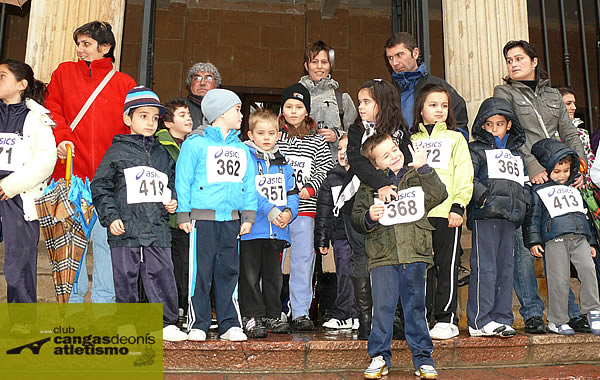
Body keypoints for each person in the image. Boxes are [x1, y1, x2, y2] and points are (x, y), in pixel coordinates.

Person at [493, 40, 589, 334]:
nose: (513, 64)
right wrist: (533, 167)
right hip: (526, 177)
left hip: (559, 176)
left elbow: (569, 132)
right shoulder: (504, 92)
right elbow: (511, 135)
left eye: (519, 58)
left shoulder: (551, 94)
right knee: (525, 248)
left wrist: (579, 165)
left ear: (534, 61)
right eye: (509, 60)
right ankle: (533, 312)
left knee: (559, 244)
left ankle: (572, 313)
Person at [45, 21, 136, 304]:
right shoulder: (63, 72)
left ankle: (104, 305)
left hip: (109, 179)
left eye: (86, 44)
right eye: (79, 43)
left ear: (105, 47)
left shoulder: (125, 83)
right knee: (71, 246)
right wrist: (60, 138)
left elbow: (129, 128)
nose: (79, 49)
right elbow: (53, 110)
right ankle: (70, 306)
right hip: (70, 175)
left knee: (108, 242)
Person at [90, 86, 187, 342]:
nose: (150, 122)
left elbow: (173, 180)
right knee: (126, 278)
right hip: (126, 228)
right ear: (127, 119)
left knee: (162, 274)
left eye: (155, 118)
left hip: (156, 226)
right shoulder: (117, 151)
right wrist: (111, 217)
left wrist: (173, 199)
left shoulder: (163, 152)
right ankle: (127, 323)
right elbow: (100, 186)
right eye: (143, 116)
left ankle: (166, 323)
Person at [352, 133, 446, 380]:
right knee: (382, 309)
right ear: (375, 165)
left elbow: (439, 194)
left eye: (394, 149)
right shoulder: (369, 186)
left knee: (416, 308)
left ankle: (423, 358)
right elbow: (357, 218)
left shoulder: (416, 176)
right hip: (383, 257)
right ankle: (379, 356)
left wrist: (425, 168)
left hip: (415, 254)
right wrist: (370, 216)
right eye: (386, 155)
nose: (394, 155)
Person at [176, 88, 257, 342]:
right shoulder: (195, 144)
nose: (241, 115)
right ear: (221, 113)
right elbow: (184, 180)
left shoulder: (242, 149)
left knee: (229, 271)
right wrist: (183, 214)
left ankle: (229, 323)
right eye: (236, 110)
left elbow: (249, 183)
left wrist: (248, 215)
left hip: (231, 220)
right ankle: (198, 323)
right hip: (202, 220)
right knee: (200, 273)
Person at [340, 79, 412, 340]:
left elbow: (406, 162)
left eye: (366, 102)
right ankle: (365, 319)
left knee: (388, 260)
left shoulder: (400, 131)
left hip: (393, 204)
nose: (360, 107)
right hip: (355, 203)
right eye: (359, 102)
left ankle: (391, 318)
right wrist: (381, 183)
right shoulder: (356, 129)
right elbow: (358, 161)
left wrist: (388, 186)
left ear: (382, 103)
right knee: (361, 258)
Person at [410, 83, 474, 340]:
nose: (439, 110)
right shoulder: (412, 141)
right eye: (433, 105)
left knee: (447, 266)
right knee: (421, 267)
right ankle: (422, 316)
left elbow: (464, 173)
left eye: (444, 106)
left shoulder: (456, 138)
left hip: (448, 212)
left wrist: (459, 205)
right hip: (418, 215)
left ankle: (446, 318)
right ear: (421, 109)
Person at [466, 97, 529, 337]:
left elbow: (523, 183)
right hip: (487, 215)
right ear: (482, 126)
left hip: (510, 217)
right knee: (486, 267)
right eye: (489, 124)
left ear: (509, 125)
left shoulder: (517, 154)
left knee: (506, 267)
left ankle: (502, 318)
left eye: (499, 124)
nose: (494, 129)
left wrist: (523, 203)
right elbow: (468, 178)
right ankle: (480, 320)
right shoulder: (476, 150)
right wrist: (483, 198)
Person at [524, 138, 600, 336]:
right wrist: (533, 241)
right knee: (559, 279)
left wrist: (591, 241)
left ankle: (593, 310)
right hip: (555, 239)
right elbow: (533, 217)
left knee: (588, 270)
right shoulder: (539, 190)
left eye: (566, 171)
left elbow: (583, 216)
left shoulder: (575, 188)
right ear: (547, 169)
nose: (562, 175)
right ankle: (557, 320)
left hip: (579, 238)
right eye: (557, 171)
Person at [0, 59, 57, 308]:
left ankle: (21, 325)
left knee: (19, 263)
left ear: (21, 84)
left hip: (18, 195)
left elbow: (46, 161)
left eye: (2, 76)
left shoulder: (37, 119)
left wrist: (9, 186)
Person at [277, 83, 334, 331]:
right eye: (289, 106)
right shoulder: (274, 138)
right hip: (276, 212)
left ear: (307, 111)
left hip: (305, 210)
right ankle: (275, 311)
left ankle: (300, 311)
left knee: (302, 262)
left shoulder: (317, 142)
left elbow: (325, 168)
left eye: (299, 107)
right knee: (274, 263)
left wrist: (310, 188)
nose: (293, 111)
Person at [239, 108, 299, 337]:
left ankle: (274, 314)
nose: (266, 138)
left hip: (278, 231)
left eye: (271, 133)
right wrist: (271, 210)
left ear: (278, 135)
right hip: (253, 228)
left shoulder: (283, 162)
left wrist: (288, 213)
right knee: (250, 275)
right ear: (251, 134)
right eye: (261, 133)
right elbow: (248, 189)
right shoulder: (245, 158)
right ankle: (252, 316)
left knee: (274, 276)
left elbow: (292, 191)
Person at [156, 98, 193, 326]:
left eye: (189, 114)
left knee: (185, 267)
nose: (188, 118)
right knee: (167, 267)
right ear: (168, 123)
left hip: (188, 217)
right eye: (181, 115)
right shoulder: (159, 144)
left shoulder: (194, 144)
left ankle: (183, 307)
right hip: (166, 218)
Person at [384, 32, 468, 132]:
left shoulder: (438, 86)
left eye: (399, 55)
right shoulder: (387, 92)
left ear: (415, 53)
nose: (395, 63)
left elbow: (459, 123)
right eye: (390, 58)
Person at [315, 134, 357, 330]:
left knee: (359, 275)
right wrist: (322, 239)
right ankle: (342, 314)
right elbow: (323, 211)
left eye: (347, 148)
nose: (342, 153)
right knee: (343, 274)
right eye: (339, 149)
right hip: (340, 235)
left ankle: (357, 314)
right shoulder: (331, 179)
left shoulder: (364, 176)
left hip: (360, 234)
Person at [299, 40, 358, 161]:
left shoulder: (343, 99)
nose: (319, 66)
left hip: (336, 169)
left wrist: (336, 136)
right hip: (303, 166)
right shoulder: (294, 98)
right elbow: (281, 133)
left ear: (330, 65)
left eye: (324, 62)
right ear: (306, 66)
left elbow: (355, 136)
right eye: (314, 62)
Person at [558, 87, 594, 182]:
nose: (574, 107)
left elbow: (590, 160)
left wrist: (584, 177)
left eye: (574, 103)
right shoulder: (548, 132)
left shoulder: (583, 133)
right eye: (568, 103)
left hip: (583, 184)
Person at [184, 62, 221, 130]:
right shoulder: (178, 106)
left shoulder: (223, 110)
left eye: (208, 79)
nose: (202, 83)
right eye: (197, 78)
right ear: (190, 84)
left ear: (216, 85)